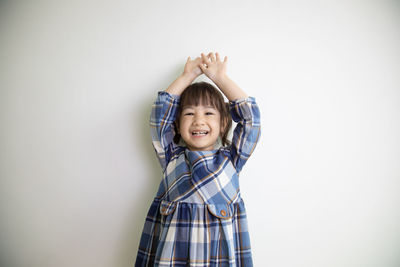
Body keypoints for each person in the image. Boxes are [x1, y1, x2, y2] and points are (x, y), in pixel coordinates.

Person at [135, 52, 261, 267]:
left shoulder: (231, 160)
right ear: (176, 124)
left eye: (209, 113)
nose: (198, 121)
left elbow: (251, 120)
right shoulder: (171, 157)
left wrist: (221, 79)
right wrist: (187, 75)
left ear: (223, 124)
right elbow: (159, 117)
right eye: (189, 114)